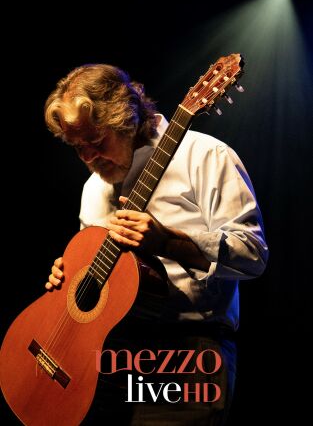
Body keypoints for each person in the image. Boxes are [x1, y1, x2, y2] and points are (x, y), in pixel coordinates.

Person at [44, 63, 268, 425]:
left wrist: (170, 242)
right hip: (106, 360)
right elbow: (106, 291)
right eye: (77, 147)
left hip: (186, 356)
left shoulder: (206, 156)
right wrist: (72, 279)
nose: (88, 158)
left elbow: (253, 255)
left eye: (97, 142)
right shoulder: (94, 188)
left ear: (126, 119)